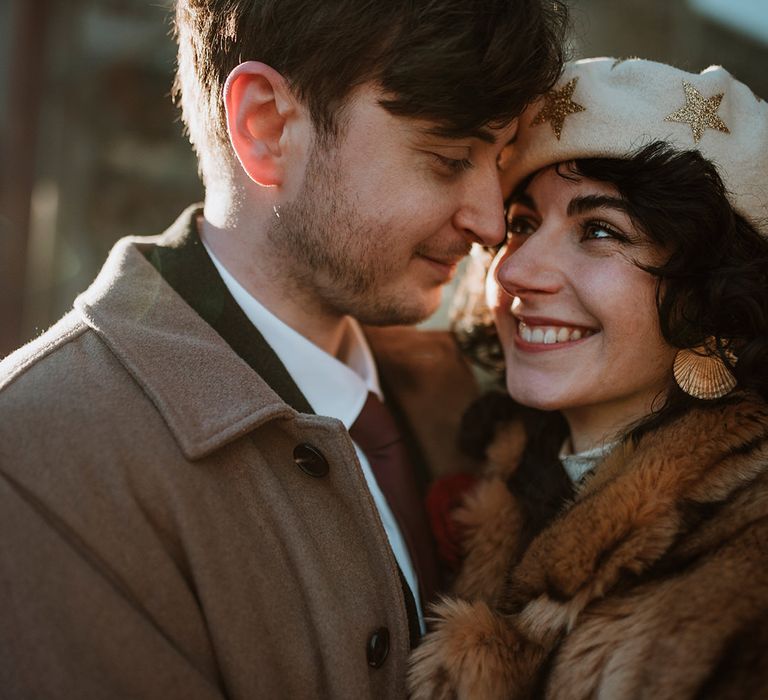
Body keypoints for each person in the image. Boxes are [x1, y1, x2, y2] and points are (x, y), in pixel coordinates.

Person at [0, 1, 568, 698]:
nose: (489, 221)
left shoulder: (469, 392)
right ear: (266, 125)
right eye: (449, 158)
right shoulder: (37, 454)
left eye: (499, 161)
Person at [408, 57, 768, 699]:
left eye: (599, 230)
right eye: (521, 224)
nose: (517, 271)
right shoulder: (477, 475)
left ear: (714, 295)